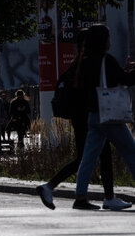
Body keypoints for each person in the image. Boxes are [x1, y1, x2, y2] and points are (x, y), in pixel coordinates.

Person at [36, 29, 130, 210]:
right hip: (89, 117)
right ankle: (55, 188)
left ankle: (82, 195)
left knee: (92, 157)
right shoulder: (91, 62)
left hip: (83, 118)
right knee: (95, 157)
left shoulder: (78, 64)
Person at [71, 25, 135, 210]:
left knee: (88, 158)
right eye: (108, 38)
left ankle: (80, 196)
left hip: (93, 114)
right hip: (109, 115)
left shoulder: (86, 61)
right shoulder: (106, 60)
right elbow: (125, 80)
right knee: (130, 151)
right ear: (103, 41)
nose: (110, 41)